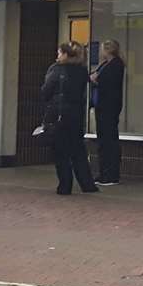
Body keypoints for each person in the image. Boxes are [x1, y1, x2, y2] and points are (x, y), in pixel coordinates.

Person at [42, 42, 98, 195]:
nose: (57, 56)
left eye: (60, 53)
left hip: (59, 115)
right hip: (76, 114)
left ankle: (65, 185)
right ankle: (87, 184)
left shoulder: (55, 69)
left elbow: (46, 91)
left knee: (60, 151)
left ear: (66, 54)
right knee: (78, 150)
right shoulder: (81, 71)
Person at [89, 40, 125, 185]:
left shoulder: (116, 65)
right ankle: (103, 172)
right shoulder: (105, 64)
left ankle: (111, 174)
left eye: (102, 49)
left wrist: (96, 79)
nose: (100, 53)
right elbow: (93, 76)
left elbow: (104, 81)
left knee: (109, 139)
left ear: (108, 50)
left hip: (109, 106)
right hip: (101, 106)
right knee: (102, 140)